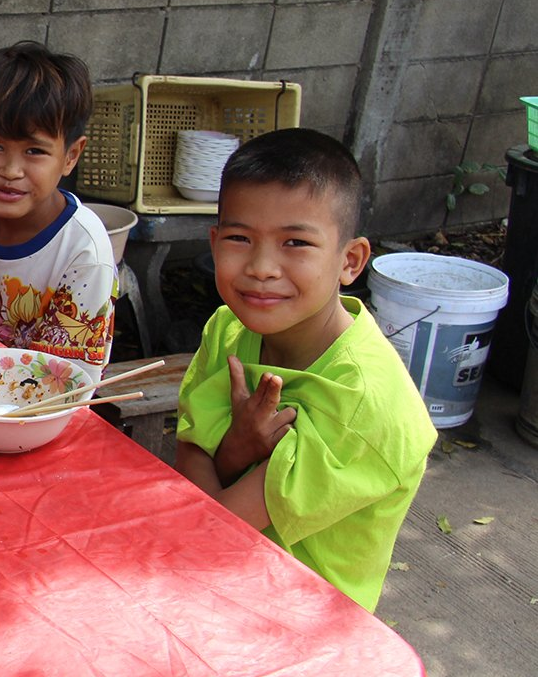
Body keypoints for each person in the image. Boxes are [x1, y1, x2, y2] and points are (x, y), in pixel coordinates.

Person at [175, 129, 438, 611]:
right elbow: (191, 447)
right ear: (214, 244)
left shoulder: (362, 402)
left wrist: (223, 460)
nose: (261, 267)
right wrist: (235, 450)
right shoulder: (228, 330)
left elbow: (219, 522)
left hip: (300, 620)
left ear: (350, 260)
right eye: (239, 238)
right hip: (217, 577)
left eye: (295, 242)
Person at [0, 41, 116, 381]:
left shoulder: (83, 252)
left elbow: (72, 383)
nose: (12, 170)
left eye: (34, 151)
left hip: (34, 414)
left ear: (71, 156)